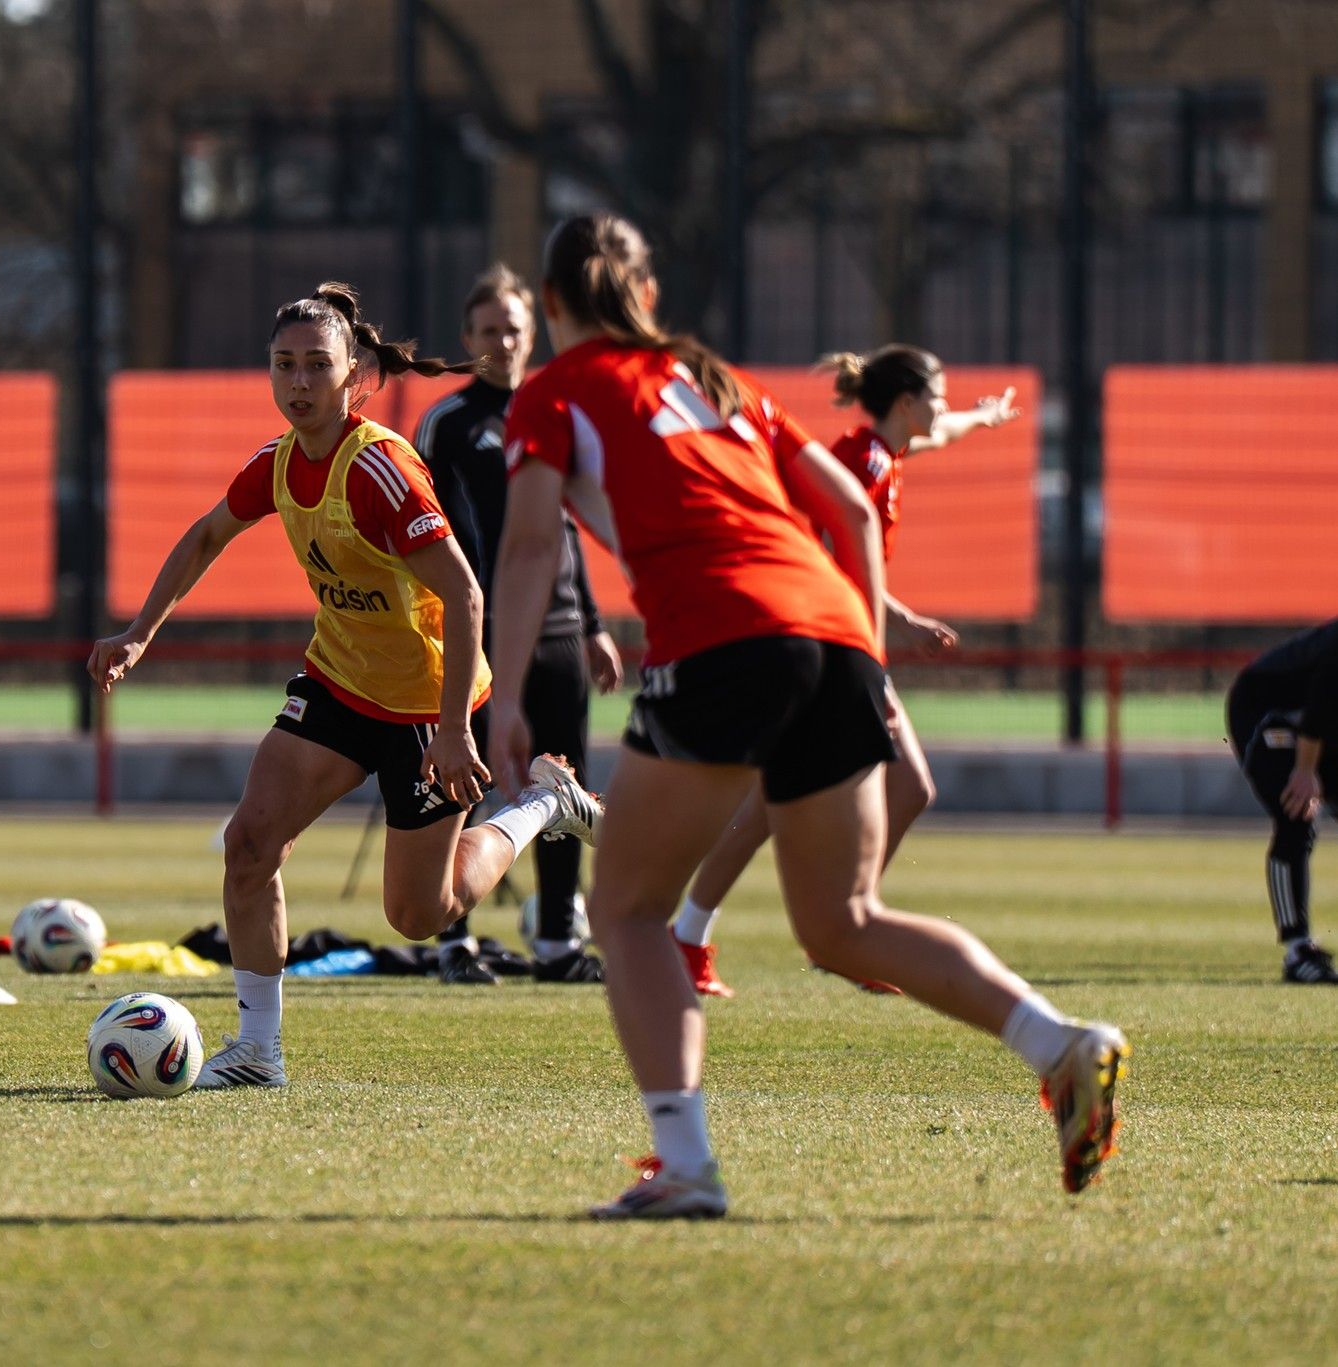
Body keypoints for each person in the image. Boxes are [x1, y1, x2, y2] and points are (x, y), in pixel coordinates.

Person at [486, 213, 1128, 1218]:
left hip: (721, 635)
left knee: (625, 909)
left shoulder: (554, 391)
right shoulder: (715, 378)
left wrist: (509, 692)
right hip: (831, 630)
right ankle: (1059, 1042)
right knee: (843, 920)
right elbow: (854, 511)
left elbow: (528, 548)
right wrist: (865, 654)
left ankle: (685, 1165)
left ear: (555, 303)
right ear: (648, 296)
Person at [89, 281, 604, 1090]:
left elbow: (467, 595)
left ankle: (543, 802)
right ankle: (259, 1051)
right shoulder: (280, 462)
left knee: (420, 915)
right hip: (338, 684)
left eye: (315, 366)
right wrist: (137, 632)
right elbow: (204, 536)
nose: (297, 382)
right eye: (283, 365)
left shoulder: (381, 472)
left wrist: (453, 730)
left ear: (355, 375)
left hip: (429, 704)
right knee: (249, 844)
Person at [671, 345, 1023, 998]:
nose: (942, 409)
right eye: (939, 395)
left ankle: (738, 933)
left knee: (790, 800)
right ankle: (834, 932)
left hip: (837, 640)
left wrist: (981, 416)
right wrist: (903, 617)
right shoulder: (863, 461)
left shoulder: (882, 449)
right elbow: (828, 555)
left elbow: (939, 433)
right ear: (906, 402)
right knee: (887, 786)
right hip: (826, 643)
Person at [413, 264, 624, 986]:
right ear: (468, 338)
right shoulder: (447, 423)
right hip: (476, 629)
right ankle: (453, 937)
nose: (503, 340)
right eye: (489, 329)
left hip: (558, 627)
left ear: (532, 334)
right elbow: (423, 532)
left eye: (514, 327)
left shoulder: (556, 410)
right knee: (463, 775)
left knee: (559, 781)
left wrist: (593, 622)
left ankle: (559, 939)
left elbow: (559, 527)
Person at [1226, 617, 1338, 983]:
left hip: (1314, 722)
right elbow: (1323, 697)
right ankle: (1298, 950)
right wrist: (1305, 771)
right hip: (1264, 709)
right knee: (1297, 812)